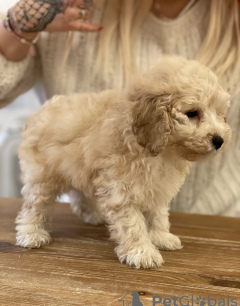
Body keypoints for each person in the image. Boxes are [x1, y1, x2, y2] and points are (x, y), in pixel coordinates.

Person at [0, 0, 239, 216]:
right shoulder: (70, 8)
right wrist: (19, 24)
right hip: (88, 227)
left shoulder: (232, 17)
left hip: (223, 222)